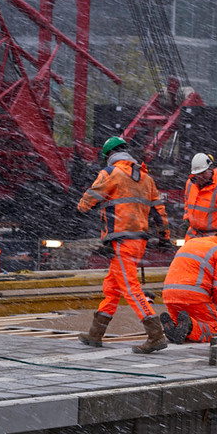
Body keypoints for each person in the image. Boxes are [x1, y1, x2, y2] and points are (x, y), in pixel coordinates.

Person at [77, 136, 170, 354]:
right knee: (112, 289)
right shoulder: (146, 178)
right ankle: (95, 334)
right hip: (138, 241)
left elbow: (92, 195)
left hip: (121, 241)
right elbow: (159, 211)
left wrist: (81, 207)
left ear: (109, 155)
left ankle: (156, 335)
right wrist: (164, 237)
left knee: (130, 289)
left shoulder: (111, 173)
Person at [160, 231, 217, 344]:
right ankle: (190, 326)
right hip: (194, 295)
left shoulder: (190, 243)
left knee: (181, 324)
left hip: (169, 294)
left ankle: (175, 328)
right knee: (215, 331)